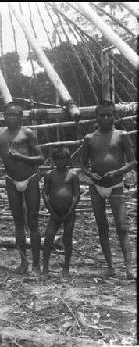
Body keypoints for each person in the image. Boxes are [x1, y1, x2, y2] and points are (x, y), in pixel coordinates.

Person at [80, 100, 136, 280]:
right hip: (96, 187)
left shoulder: (121, 136)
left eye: (109, 114)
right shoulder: (89, 138)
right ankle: (110, 267)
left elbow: (133, 162)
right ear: (96, 117)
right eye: (102, 115)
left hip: (116, 185)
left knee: (122, 226)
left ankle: (129, 269)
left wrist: (118, 171)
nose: (106, 118)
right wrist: (90, 174)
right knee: (102, 226)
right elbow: (82, 165)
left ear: (114, 116)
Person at [0, 102, 44, 275]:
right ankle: (23, 262)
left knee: (32, 221)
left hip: (30, 179)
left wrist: (21, 157)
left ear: (21, 116)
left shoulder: (27, 133)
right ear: (4, 116)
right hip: (11, 180)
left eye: (15, 114)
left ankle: (37, 264)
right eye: (9, 114)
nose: (12, 118)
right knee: (18, 222)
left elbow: (40, 158)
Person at [42, 147, 80, 278]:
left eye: (64, 159)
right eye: (58, 159)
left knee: (67, 239)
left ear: (68, 160)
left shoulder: (72, 175)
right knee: (48, 239)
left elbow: (76, 195)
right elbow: (45, 194)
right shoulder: (49, 175)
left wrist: (70, 211)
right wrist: (51, 211)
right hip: (54, 213)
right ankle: (45, 267)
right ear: (54, 160)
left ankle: (66, 268)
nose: (61, 162)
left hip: (69, 214)